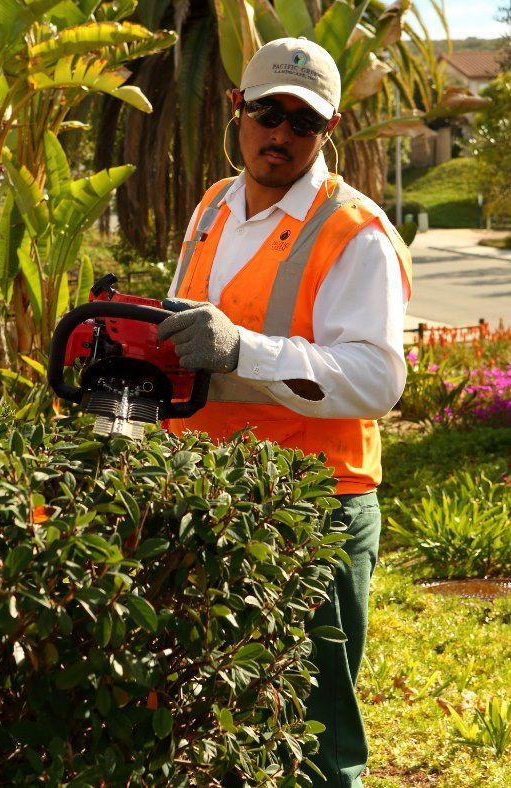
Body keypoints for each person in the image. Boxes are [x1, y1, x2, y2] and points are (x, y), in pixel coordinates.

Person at [156, 37, 413, 788]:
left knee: (315, 729)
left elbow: (377, 381)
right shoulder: (212, 205)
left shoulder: (355, 233)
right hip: (209, 488)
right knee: (224, 715)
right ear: (237, 111)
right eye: (268, 112)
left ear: (327, 130)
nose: (282, 134)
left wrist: (246, 351)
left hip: (314, 505)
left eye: (303, 122)